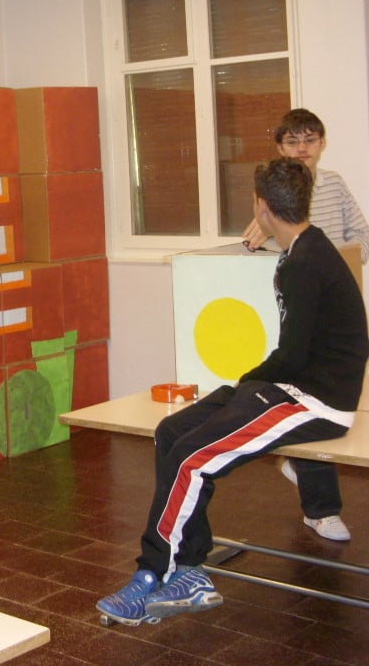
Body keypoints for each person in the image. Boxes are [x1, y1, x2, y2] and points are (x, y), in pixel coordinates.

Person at [97, 157, 369, 625]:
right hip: (288, 386)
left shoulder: (307, 262)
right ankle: (190, 569)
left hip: (314, 402)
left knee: (192, 459)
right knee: (171, 432)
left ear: (261, 206)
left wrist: (248, 381)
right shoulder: (304, 249)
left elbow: (292, 356)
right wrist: (249, 383)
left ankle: (154, 572)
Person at [241, 108, 369, 541]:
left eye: (309, 140)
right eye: (292, 141)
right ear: (280, 147)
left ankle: (318, 503)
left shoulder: (333, 184)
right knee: (299, 388)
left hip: (331, 306)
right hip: (295, 306)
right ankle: (321, 507)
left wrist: (335, 261)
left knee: (320, 394)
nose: (302, 149)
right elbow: (257, 243)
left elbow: (363, 236)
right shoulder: (272, 192)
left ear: (322, 143)